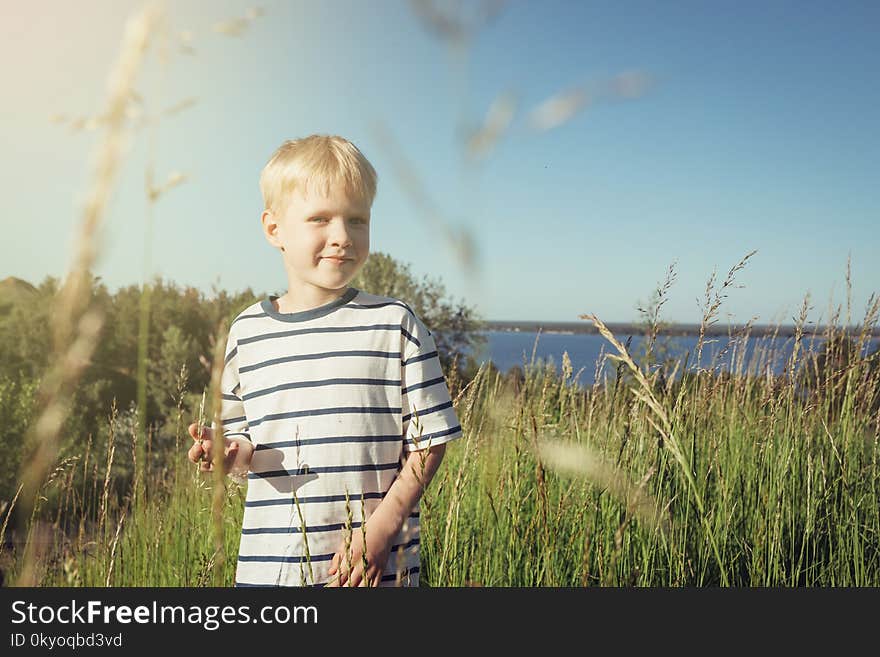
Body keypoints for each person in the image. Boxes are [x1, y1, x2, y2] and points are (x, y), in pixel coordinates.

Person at [186, 134, 462, 587]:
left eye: (357, 220)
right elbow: (243, 442)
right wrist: (229, 452)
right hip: (270, 571)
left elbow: (430, 441)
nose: (342, 237)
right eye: (320, 219)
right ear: (274, 229)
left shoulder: (394, 324)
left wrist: (382, 528)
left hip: (374, 570)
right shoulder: (246, 332)